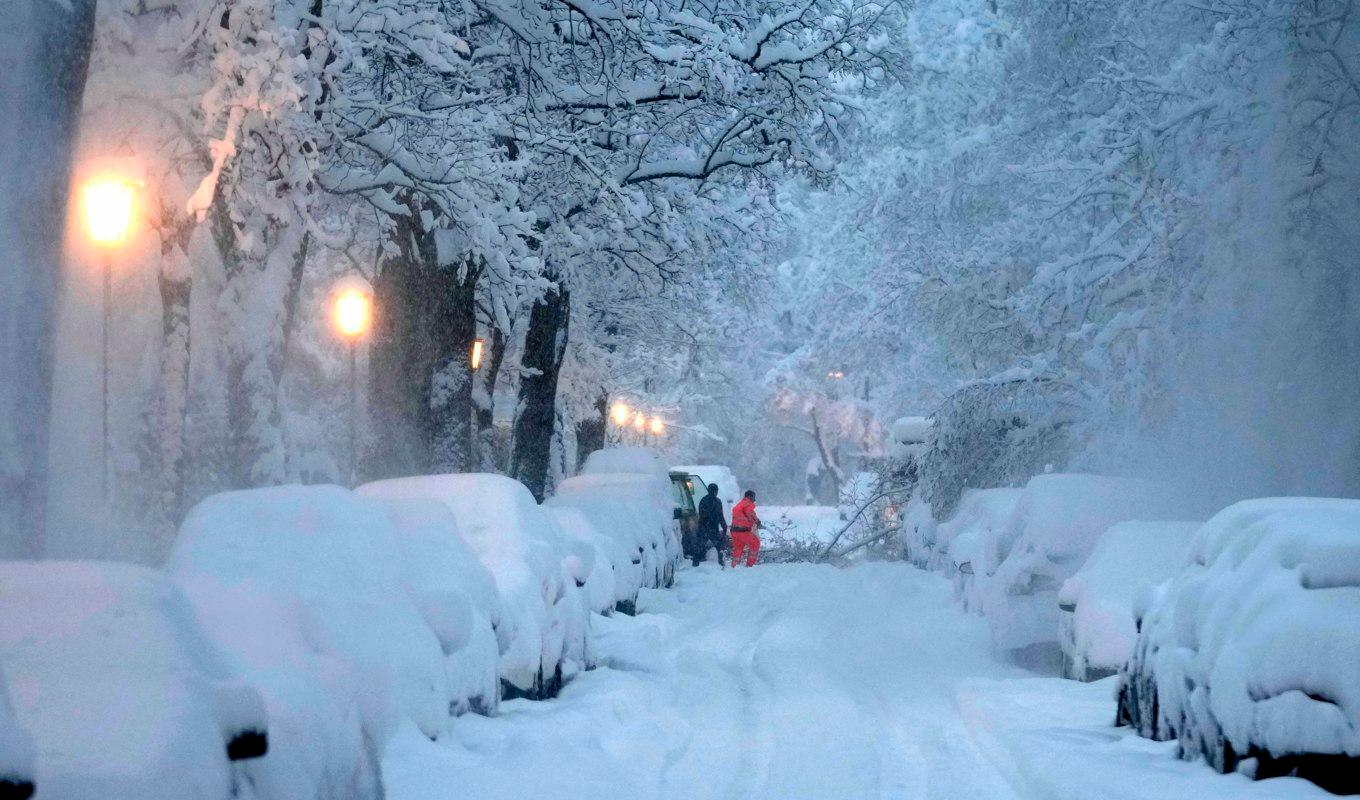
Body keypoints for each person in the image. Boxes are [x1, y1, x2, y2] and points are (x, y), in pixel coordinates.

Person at [694, 483, 728, 567]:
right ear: (715, 491)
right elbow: (720, 516)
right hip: (712, 528)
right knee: (719, 546)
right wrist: (724, 526)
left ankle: (695, 564)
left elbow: (702, 515)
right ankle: (721, 564)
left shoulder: (703, 500)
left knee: (699, 547)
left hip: (703, 528)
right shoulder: (717, 501)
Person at [729, 490, 761, 568]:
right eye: (754, 497)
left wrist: (756, 521)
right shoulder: (748, 503)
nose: (754, 500)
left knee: (738, 548)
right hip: (742, 531)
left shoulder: (740, 504)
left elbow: (747, 514)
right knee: (755, 543)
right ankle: (750, 565)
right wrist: (757, 522)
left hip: (734, 531)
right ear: (749, 497)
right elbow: (750, 513)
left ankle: (734, 566)